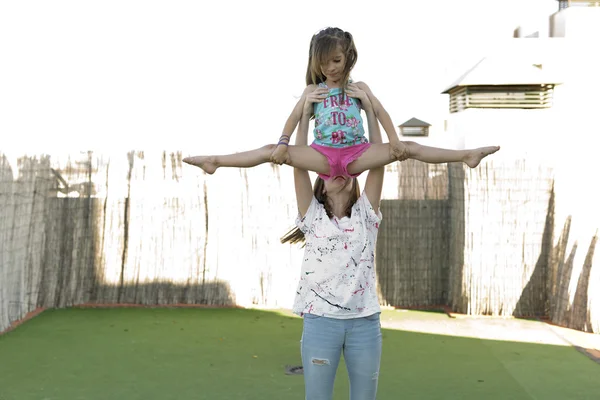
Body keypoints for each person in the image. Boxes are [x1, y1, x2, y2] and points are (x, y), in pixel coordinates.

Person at [183, 27, 499, 178]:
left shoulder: (359, 87)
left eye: (336, 60)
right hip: (321, 154)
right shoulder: (313, 91)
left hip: (358, 152)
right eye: (324, 64)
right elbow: (294, 119)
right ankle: (216, 161)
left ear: (347, 57)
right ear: (316, 64)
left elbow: (380, 111)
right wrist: (283, 142)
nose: (331, 68)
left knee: (410, 148)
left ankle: (466, 156)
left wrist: (393, 141)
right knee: (269, 152)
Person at [283, 82, 383, 400]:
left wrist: (368, 110)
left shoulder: (366, 213)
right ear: (320, 187)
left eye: (342, 168)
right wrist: (304, 113)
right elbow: (298, 161)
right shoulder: (312, 217)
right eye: (324, 171)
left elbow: (379, 159)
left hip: (364, 323)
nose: (334, 170)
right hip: (320, 322)